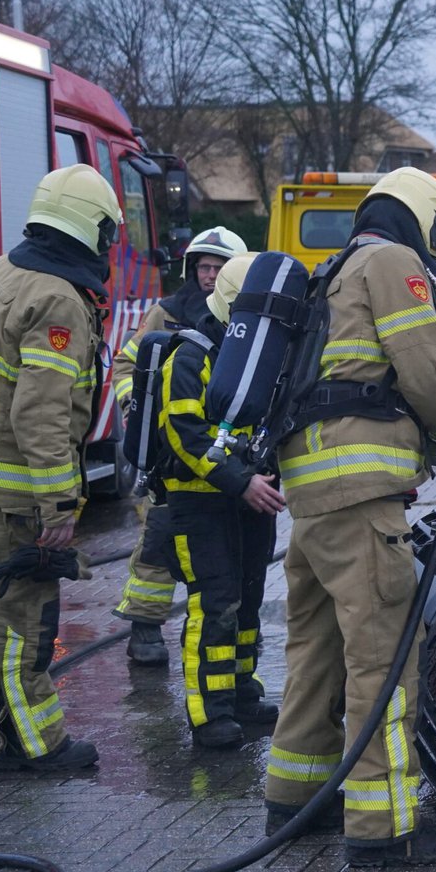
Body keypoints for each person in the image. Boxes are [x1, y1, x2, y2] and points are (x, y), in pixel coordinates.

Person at [262, 168, 436, 865]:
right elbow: (429, 378)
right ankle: (384, 831)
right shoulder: (395, 263)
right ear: (424, 221)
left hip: (313, 497)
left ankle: (294, 799)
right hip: (361, 497)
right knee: (382, 664)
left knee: (314, 654)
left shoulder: (336, 269)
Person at [0, 164, 123, 771]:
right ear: (90, 229)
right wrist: (59, 505)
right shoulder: (58, 299)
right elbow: (40, 414)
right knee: (25, 616)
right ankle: (35, 743)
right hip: (11, 485)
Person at [157, 252, 288, 749]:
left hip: (247, 498)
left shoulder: (257, 353)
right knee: (213, 604)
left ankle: (240, 692)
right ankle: (208, 713)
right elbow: (186, 435)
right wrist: (241, 481)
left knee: (249, 598)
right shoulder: (190, 356)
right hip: (201, 503)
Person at [110, 226, 247, 664]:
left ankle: (227, 630)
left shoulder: (245, 321)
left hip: (224, 453)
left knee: (225, 552)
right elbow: (126, 363)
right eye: (204, 267)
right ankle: (145, 627)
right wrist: (135, 405)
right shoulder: (166, 314)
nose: (210, 275)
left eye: (219, 267)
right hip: (169, 454)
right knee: (158, 539)